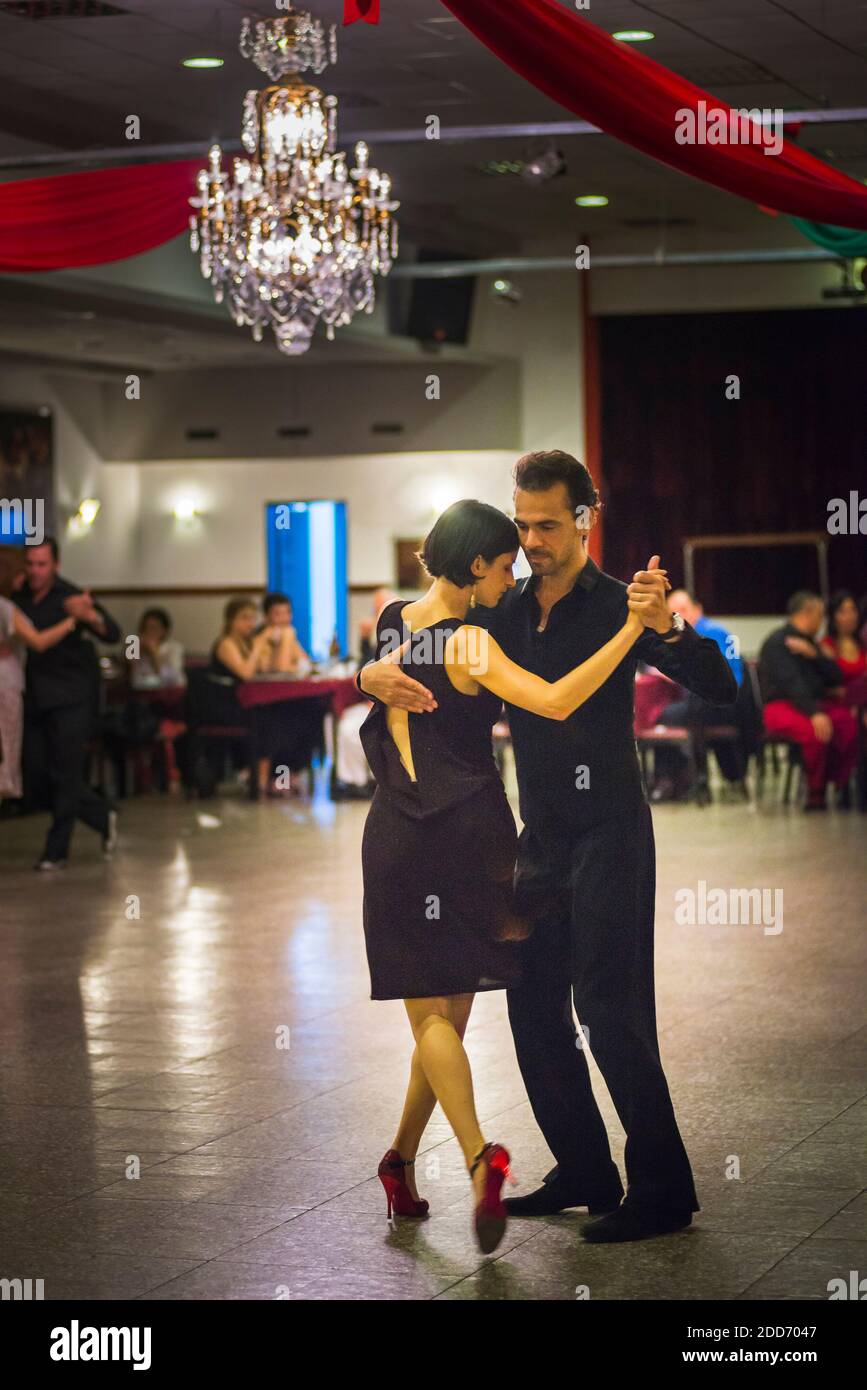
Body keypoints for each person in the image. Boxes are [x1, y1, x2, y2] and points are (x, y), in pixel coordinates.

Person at [361, 451, 737, 1244]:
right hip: (535, 840)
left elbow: (719, 684)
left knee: (610, 1009)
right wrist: (369, 673)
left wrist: (665, 624)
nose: (530, 539)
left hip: (609, 831)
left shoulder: (618, 604)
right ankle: (584, 1171)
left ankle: (662, 1191)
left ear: (583, 519)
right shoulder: (501, 602)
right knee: (532, 1008)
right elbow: (422, 639)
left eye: (545, 524)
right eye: (521, 524)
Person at [14, 537, 122, 869]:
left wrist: (90, 617)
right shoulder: (19, 595)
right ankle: (101, 816)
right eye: (30, 563)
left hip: (71, 696)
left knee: (65, 773)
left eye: (42, 564)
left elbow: (113, 633)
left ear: (56, 565)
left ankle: (56, 851)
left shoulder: (72, 595)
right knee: (33, 773)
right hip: (32, 697)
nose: (35, 571)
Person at [759, 591, 859, 811]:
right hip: (782, 706)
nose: (822, 620)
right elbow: (791, 682)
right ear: (808, 613)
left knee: (847, 724)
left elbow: (835, 676)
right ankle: (816, 793)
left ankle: (842, 785)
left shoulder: (812, 643)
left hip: (813, 703)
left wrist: (815, 654)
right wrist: (814, 713)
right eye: (820, 615)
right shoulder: (778, 642)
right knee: (815, 731)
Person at [653, 589, 746, 799]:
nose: (679, 617)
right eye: (673, 613)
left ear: (698, 609)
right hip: (706, 702)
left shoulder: (711, 631)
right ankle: (678, 780)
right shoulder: (686, 634)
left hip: (723, 704)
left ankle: (671, 781)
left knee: (665, 716)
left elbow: (716, 677)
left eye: (683, 610)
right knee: (669, 713)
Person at [0, 586, 77, 801]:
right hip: (4, 687)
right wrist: (73, 621)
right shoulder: (4, 607)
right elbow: (39, 642)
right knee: (4, 757)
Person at [128, 608, 185, 690]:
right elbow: (133, 678)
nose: (148, 632)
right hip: (141, 694)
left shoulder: (174, 647)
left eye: (153, 628)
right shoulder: (136, 646)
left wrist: (154, 654)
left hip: (168, 694)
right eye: (145, 628)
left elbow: (172, 679)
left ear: (164, 630)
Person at [256, 593, 311, 676]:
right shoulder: (260, 640)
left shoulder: (289, 636)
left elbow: (306, 665)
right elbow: (281, 671)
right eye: (277, 614)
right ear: (266, 617)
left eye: (287, 613)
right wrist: (287, 636)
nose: (284, 618)